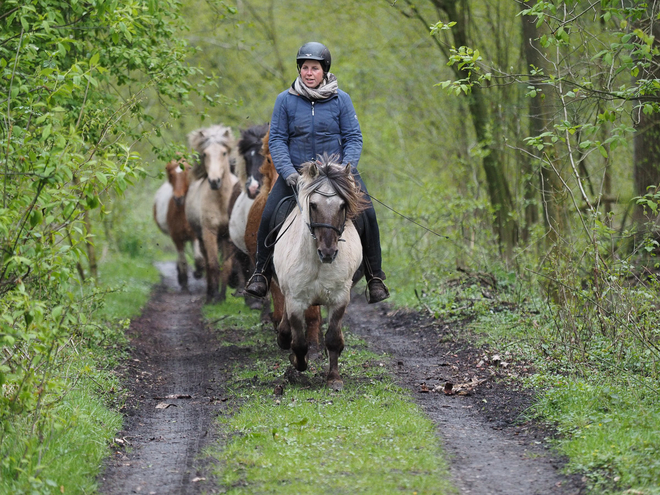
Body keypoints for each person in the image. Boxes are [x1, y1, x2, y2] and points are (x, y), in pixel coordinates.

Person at [245, 41, 389, 304]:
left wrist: (347, 168)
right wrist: (288, 172)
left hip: (337, 174)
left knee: (367, 213)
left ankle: (375, 277)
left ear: (325, 70)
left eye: (314, 68)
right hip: (298, 175)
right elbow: (277, 140)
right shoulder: (285, 100)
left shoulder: (341, 99)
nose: (308, 73)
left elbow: (354, 137)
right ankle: (261, 274)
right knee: (269, 212)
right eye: (304, 68)